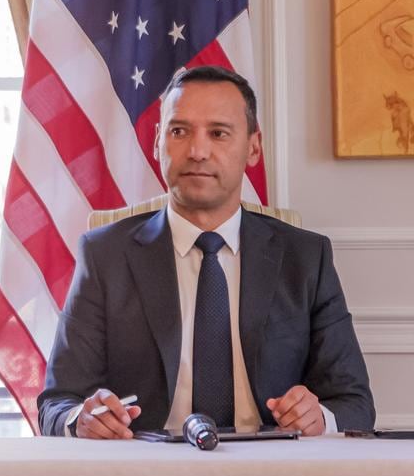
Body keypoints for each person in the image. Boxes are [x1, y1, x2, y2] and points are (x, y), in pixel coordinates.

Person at [38, 66, 374, 438]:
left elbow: (354, 404)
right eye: (179, 132)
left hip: (273, 471)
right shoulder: (105, 255)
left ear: (253, 147)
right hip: (146, 471)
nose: (197, 151)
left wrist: (319, 418)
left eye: (218, 133)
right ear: (157, 142)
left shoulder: (307, 257)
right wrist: (82, 420)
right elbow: (57, 404)